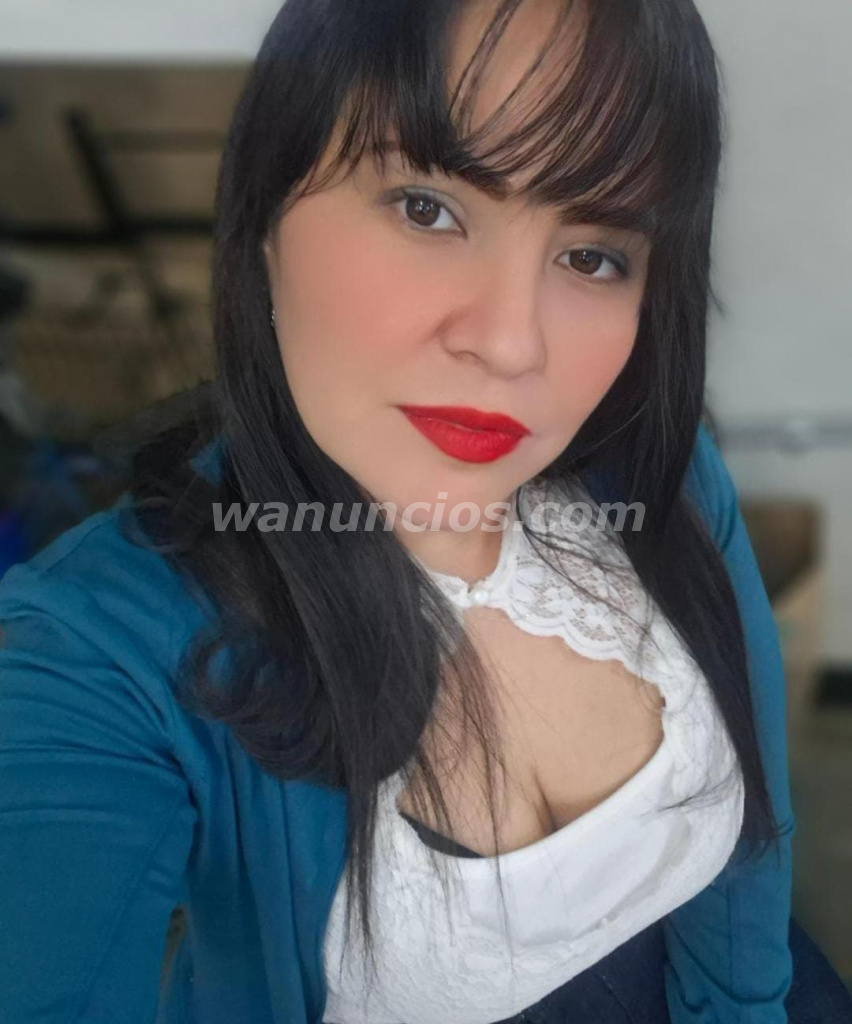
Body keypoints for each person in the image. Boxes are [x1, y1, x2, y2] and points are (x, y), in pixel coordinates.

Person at [1, 1, 851, 1021]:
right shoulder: (102, 649)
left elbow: (756, 830)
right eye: (426, 207)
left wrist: (746, 1010)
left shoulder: (655, 474)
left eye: (593, 255)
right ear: (264, 218)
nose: (512, 342)